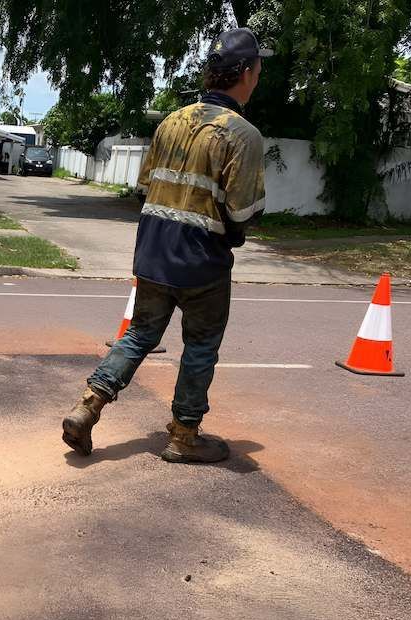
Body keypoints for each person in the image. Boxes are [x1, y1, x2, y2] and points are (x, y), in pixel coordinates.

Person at [62, 28, 272, 463]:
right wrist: (233, 232)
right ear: (248, 74)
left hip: (154, 252)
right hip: (202, 262)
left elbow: (144, 189)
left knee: (139, 334)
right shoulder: (243, 134)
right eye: (258, 68)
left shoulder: (170, 122)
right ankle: (183, 436)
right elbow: (242, 212)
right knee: (200, 346)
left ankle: (87, 406)